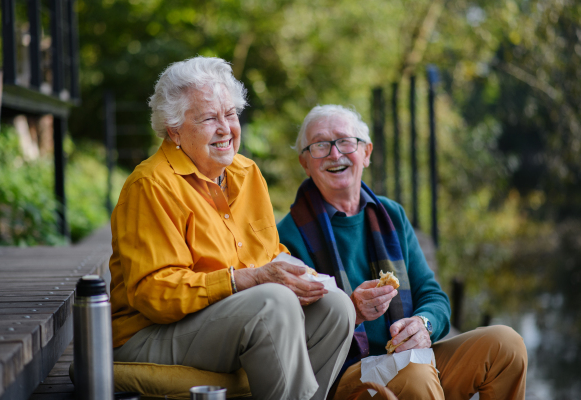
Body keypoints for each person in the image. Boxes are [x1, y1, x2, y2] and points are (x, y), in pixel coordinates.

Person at [108, 58, 356, 400]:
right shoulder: (150, 185)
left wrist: (300, 274)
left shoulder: (248, 173)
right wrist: (243, 280)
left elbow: (266, 254)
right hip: (149, 333)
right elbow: (154, 295)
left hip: (229, 320)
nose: (226, 128)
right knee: (274, 303)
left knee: (337, 308)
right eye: (210, 118)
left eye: (230, 114)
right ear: (174, 130)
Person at [277, 104, 528, 399]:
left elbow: (433, 296)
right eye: (320, 145)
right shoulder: (287, 234)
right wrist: (352, 312)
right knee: (414, 376)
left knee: (506, 345)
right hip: (342, 376)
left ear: (366, 153)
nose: (335, 154)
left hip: (412, 360)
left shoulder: (391, 214)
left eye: (345, 141)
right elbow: (296, 335)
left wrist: (423, 325)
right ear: (305, 163)